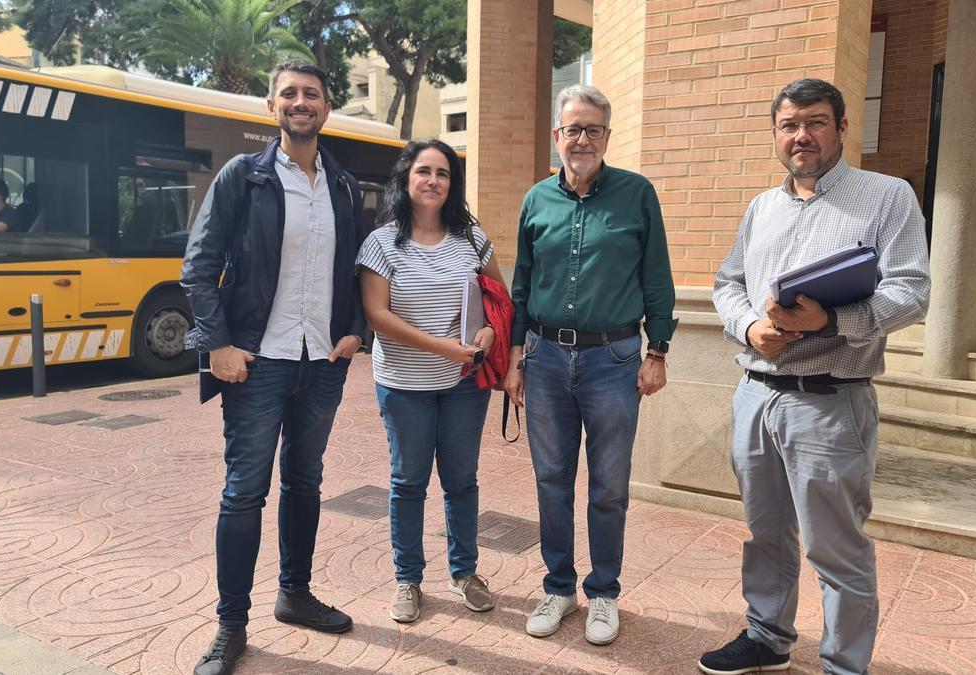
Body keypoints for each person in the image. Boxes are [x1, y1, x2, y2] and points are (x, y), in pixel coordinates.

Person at [706, 78, 930, 675]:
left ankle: (843, 666)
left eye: (815, 122)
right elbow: (727, 284)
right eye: (788, 125)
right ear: (776, 134)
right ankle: (767, 637)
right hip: (756, 395)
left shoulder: (887, 197)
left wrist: (832, 317)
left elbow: (912, 292)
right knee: (766, 535)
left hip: (830, 401)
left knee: (837, 548)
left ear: (841, 129)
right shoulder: (763, 207)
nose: (801, 135)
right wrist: (751, 327)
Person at [180, 59, 366, 675]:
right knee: (244, 493)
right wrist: (219, 344)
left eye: (311, 93)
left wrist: (354, 333)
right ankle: (231, 626)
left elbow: (355, 273)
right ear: (271, 106)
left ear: (327, 106)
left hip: (321, 362)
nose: (300, 102)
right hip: (256, 361)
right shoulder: (245, 177)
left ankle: (295, 594)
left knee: (306, 483)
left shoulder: (340, 185)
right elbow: (198, 269)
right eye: (288, 92)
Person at [504, 84, 677, 647]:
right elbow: (522, 284)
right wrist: (514, 356)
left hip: (615, 359)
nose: (582, 139)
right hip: (546, 357)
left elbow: (656, 278)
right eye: (572, 129)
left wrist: (658, 351)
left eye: (593, 130)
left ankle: (603, 593)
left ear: (607, 135)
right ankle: (559, 587)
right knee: (551, 480)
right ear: (558, 137)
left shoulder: (636, 194)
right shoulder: (537, 200)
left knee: (608, 486)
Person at [357, 139, 505, 624]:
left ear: (452, 184)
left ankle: (464, 572)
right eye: (424, 171)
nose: (433, 181)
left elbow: (499, 300)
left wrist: (487, 329)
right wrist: (441, 346)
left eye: (443, 173)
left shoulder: (473, 240)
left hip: (464, 384)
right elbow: (377, 316)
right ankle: (408, 579)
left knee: (461, 481)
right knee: (408, 482)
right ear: (405, 178)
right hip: (403, 385)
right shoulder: (381, 243)